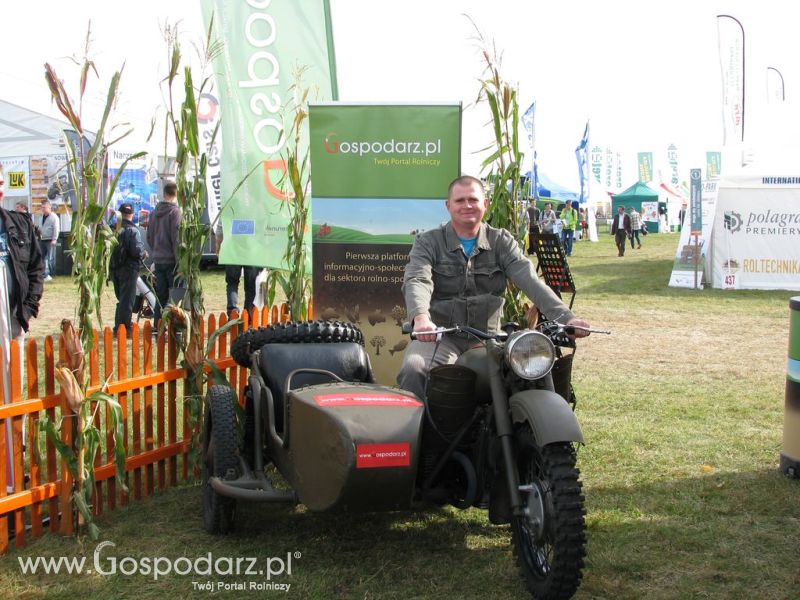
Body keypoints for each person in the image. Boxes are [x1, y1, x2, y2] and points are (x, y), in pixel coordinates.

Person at [397, 175, 590, 401]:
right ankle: (420, 436)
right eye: (459, 200)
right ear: (448, 205)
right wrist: (421, 319)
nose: (467, 205)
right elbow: (417, 279)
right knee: (415, 368)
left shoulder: (501, 241)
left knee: (526, 373)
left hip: (488, 339)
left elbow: (529, 280)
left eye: (473, 199)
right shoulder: (428, 242)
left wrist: (566, 318)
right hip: (442, 336)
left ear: (485, 204)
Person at [146, 181, 181, 325]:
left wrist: (156, 251)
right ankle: (173, 328)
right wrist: (180, 262)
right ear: (175, 194)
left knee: (160, 297)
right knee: (175, 298)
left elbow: (149, 236)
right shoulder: (175, 212)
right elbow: (176, 239)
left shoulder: (154, 213)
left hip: (159, 261)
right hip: (172, 261)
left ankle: (158, 327)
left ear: (164, 193)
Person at [110, 203, 146, 335]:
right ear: (132, 215)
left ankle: (118, 325)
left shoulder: (113, 229)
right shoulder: (133, 230)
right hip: (129, 269)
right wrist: (144, 254)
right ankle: (123, 328)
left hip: (114, 269)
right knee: (127, 300)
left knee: (121, 298)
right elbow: (137, 251)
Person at [39, 199, 60, 282]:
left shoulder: (54, 217)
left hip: (50, 239)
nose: (43, 209)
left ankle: (52, 274)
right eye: (42, 207)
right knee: (41, 257)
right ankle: (44, 274)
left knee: (50, 258)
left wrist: (54, 239)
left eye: (45, 207)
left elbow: (56, 228)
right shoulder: (42, 217)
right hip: (42, 239)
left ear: (49, 207)